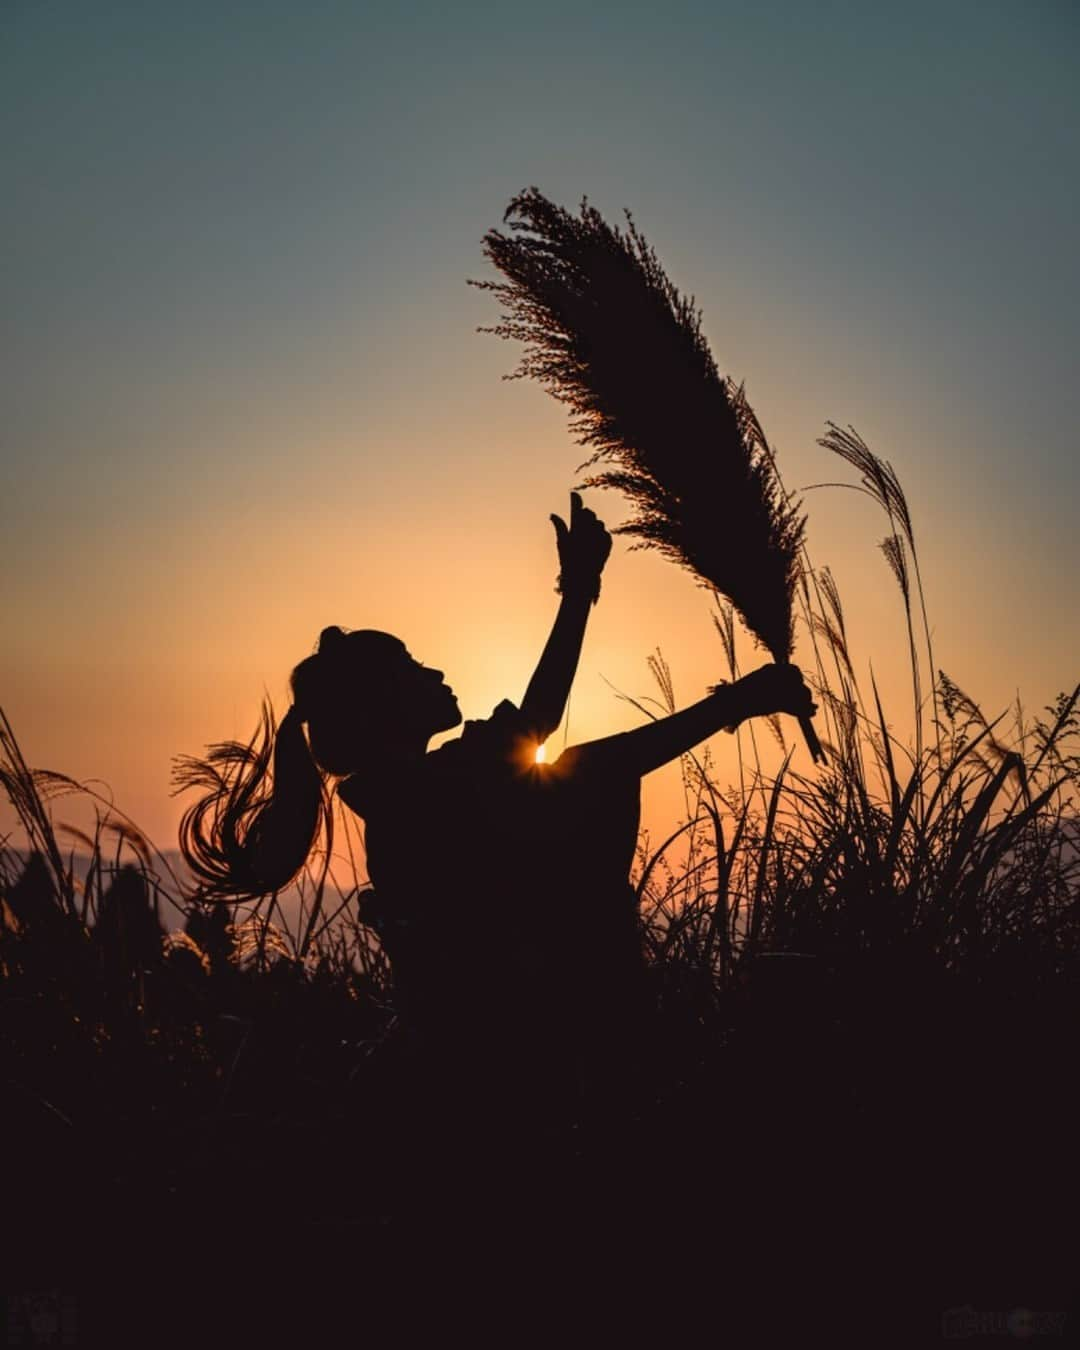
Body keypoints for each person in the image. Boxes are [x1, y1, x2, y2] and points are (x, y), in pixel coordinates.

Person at [179, 493, 816, 1113]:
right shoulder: (427, 795)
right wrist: (585, 594)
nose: (433, 672)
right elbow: (549, 724)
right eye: (410, 667)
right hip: (529, 1077)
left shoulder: (405, 800)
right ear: (381, 711)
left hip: (490, 1073)